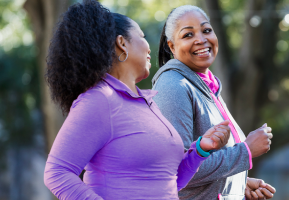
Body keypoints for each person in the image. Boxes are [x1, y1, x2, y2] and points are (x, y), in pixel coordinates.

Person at [43, 1, 232, 199]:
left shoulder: (147, 102)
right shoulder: (100, 100)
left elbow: (168, 181)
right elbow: (57, 173)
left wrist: (200, 149)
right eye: (141, 36)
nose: (149, 48)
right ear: (122, 43)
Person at [152, 5, 276, 200]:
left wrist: (236, 183)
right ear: (171, 46)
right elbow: (177, 169)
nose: (201, 39)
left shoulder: (206, 85)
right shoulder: (174, 85)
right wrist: (246, 151)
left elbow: (207, 164)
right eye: (188, 35)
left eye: (206, 30)